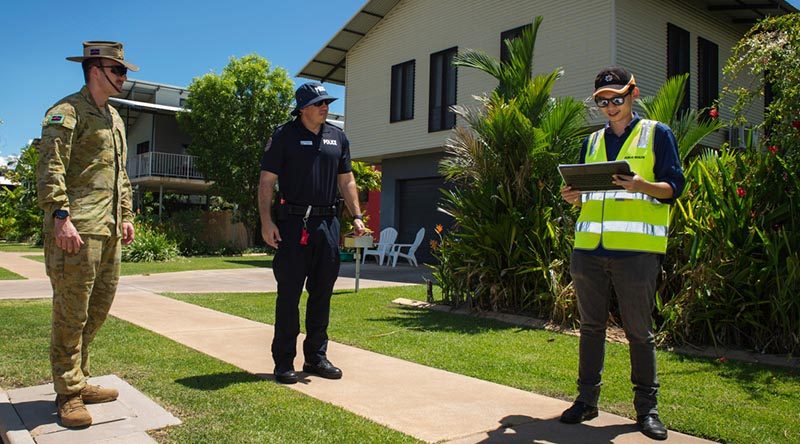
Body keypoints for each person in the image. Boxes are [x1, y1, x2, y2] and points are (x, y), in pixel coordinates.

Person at [558, 66, 685, 441]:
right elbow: (586, 194)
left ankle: (647, 411)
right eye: (603, 101)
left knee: (638, 333)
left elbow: (674, 187)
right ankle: (586, 401)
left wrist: (643, 185)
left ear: (633, 94)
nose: (611, 106)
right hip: (589, 251)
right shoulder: (592, 142)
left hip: (636, 251)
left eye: (617, 98)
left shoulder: (656, 134)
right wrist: (574, 196)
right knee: (591, 328)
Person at [35, 41, 138, 428]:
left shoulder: (114, 118)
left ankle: (79, 377)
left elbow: (120, 174)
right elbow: (50, 167)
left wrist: (125, 215)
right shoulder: (66, 112)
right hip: (75, 229)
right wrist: (61, 215)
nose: (124, 78)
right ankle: (68, 393)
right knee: (70, 312)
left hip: (108, 228)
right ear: (96, 70)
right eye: (120, 70)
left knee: (98, 309)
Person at [258, 81, 366, 384]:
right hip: (292, 224)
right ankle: (283, 362)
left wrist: (356, 215)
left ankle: (316, 357)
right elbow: (266, 181)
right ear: (303, 108)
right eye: (319, 103)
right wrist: (267, 222)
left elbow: (347, 180)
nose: (325, 107)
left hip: (327, 225)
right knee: (289, 294)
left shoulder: (338, 137)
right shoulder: (284, 136)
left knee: (322, 293)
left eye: (327, 103)